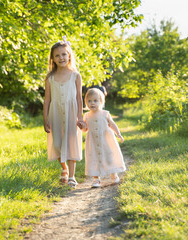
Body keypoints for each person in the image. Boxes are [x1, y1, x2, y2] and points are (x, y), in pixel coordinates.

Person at [43, 36, 85, 188]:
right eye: (57, 55)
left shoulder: (75, 75)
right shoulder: (50, 78)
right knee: (58, 143)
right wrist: (45, 119)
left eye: (64, 54)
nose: (61, 58)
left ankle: (72, 176)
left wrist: (80, 117)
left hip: (71, 113)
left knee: (71, 142)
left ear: (69, 56)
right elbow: (47, 100)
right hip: (55, 113)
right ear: (52, 59)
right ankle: (64, 168)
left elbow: (79, 99)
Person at [81, 88, 126, 188]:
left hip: (106, 140)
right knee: (93, 158)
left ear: (101, 102)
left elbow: (112, 124)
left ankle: (113, 174)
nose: (92, 103)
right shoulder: (87, 115)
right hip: (92, 142)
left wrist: (118, 134)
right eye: (89, 101)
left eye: (95, 100)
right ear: (86, 102)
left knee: (109, 156)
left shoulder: (105, 113)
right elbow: (85, 129)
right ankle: (96, 179)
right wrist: (81, 126)